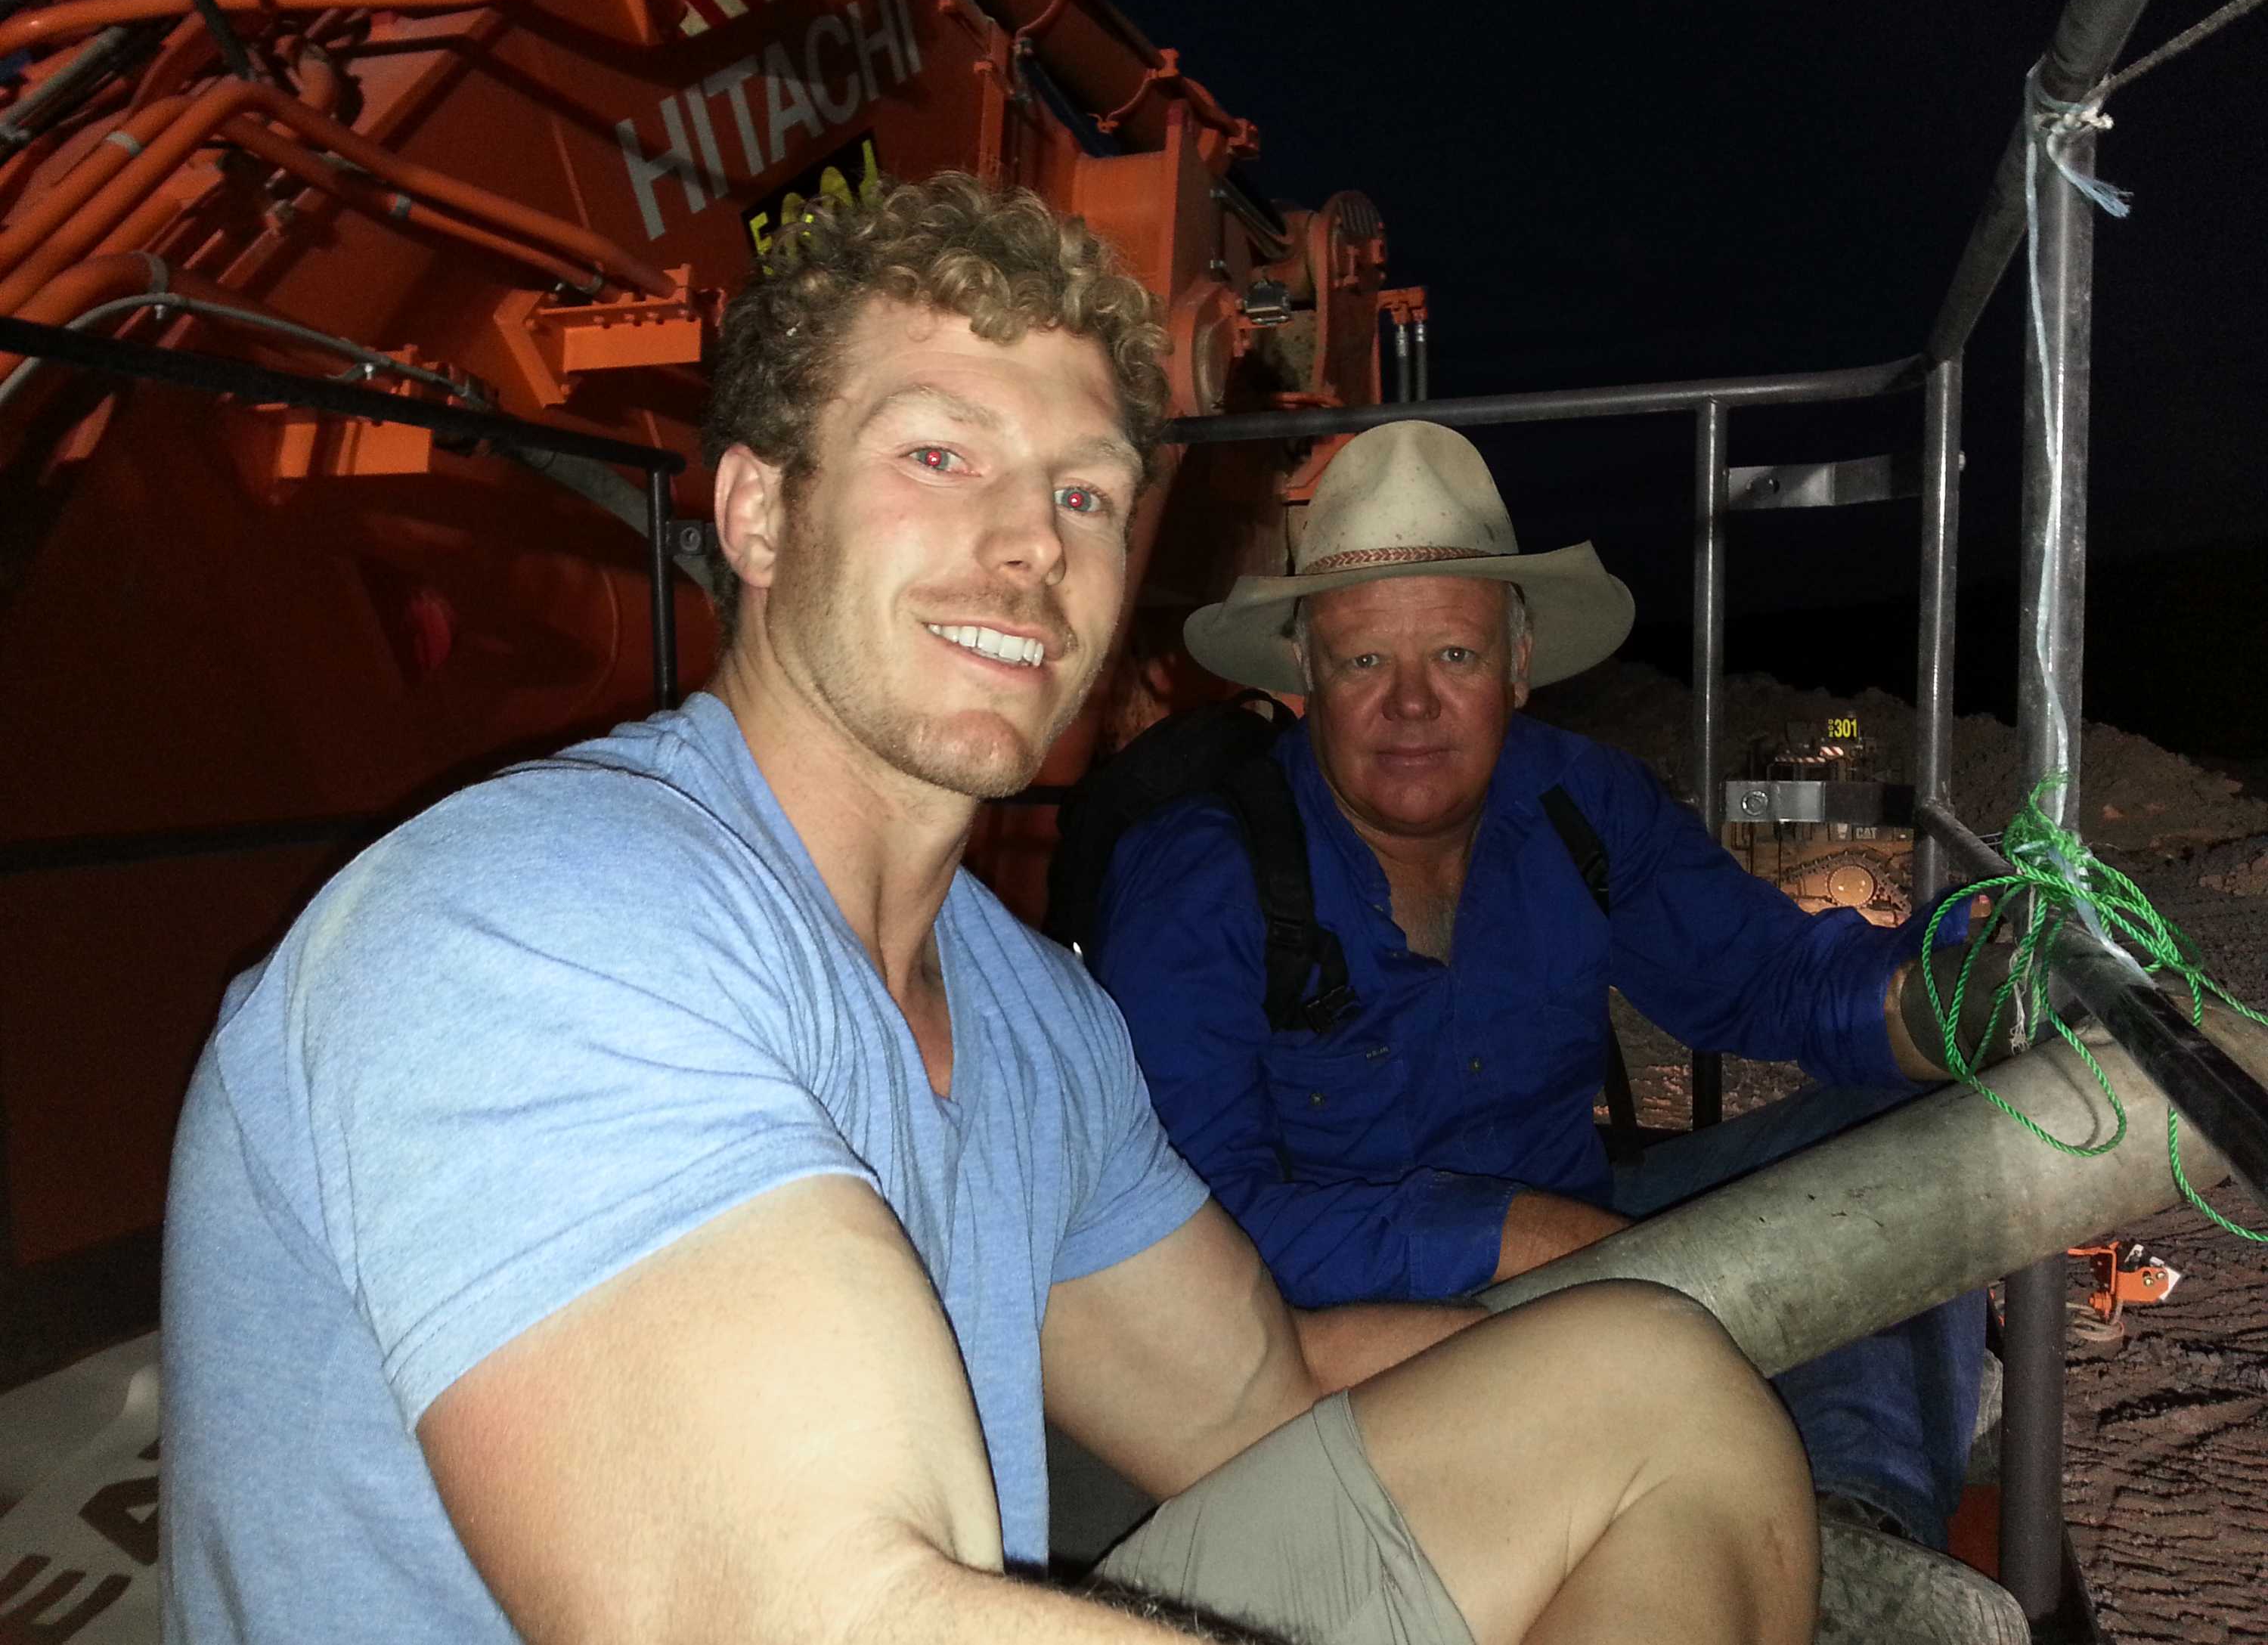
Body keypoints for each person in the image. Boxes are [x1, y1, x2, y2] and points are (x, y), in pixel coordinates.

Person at [160, 176, 1817, 1645]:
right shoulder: (526, 923)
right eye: (939, 454)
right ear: (757, 513)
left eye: (1085, 493)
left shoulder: (1033, 1019)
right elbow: (822, 1615)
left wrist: (1673, 1290)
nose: (1030, 541)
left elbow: (1264, 1394)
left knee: (1657, 1391)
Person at [1090, 419, 2000, 1556]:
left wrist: (1951, 1000)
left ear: (1518, 665)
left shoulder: (1580, 803)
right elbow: (1191, 1231)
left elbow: (1766, 977)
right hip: (1345, 1338)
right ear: (1303, 678)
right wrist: (1518, 1235)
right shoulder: (1198, 878)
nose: (1412, 704)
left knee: (1924, 1129)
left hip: (1586, 1234)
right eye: (1365, 661)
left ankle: (1859, 1542)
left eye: (1455, 657)